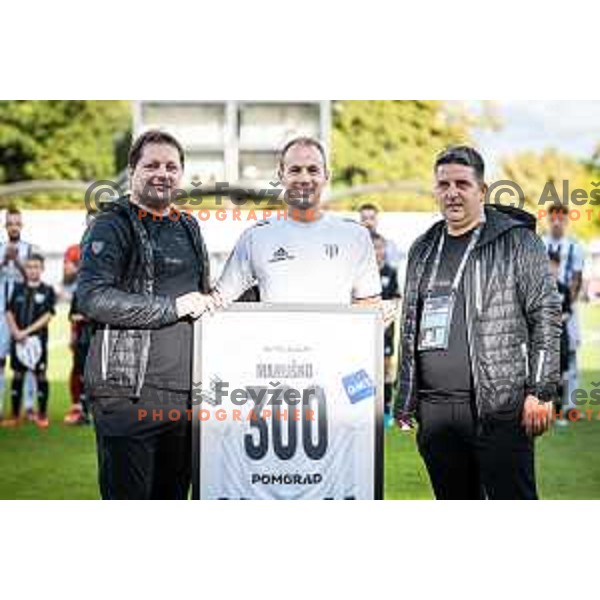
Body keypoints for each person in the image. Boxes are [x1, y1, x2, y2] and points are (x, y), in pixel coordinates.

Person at [395, 145, 560, 500]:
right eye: (443, 184)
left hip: (498, 407)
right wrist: (405, 398)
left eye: (461, 183)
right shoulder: (422, 247)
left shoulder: (517, 240)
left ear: (481, 191)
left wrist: (541, 390)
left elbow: (545, 313)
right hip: (436, 412)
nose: (451, 193)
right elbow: (410, 325)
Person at [77, 130, 211, 500]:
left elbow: (201, 297)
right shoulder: (111, 222)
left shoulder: (188, 225)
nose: (162, 173)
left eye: (171, 166)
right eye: (151, 164)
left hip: (186, 396)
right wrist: (172, 308)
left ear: (181, 174)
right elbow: (92, 297)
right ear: (132, 170)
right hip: (126, 395)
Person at [214, 137, 382, 306]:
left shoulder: (355, 235)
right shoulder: (256, 237)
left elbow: (369, 304)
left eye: (313, 170)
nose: (304, 179)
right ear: (281, 176)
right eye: (295, 170)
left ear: (326, 176)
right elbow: (220, 299)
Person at [2, 253, 55, 428]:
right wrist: (16, 332)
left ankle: (42, 415)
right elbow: (9, 312)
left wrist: (27, 332)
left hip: (37, 342)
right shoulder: (18, 288)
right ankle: (16, 415)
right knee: (18, 375)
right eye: (29, 267)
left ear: (42, 269)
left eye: (36, 267)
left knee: (40, 375)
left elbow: (48, 315)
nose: (32, 270)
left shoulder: (48, 290)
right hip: (18, 340)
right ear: (25, 269)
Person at [542, 205, 584, 415]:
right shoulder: (539, 244)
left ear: (566, 220)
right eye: (553, 218)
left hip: (567, 309)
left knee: (571, 354)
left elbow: (577, 279)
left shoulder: (575, 247)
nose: (557, 222)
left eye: (561, 218)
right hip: (543, 309)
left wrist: (565, 307)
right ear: (549, 219)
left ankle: (569, 404)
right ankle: (544, 403)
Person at [0, 208, 36, 422]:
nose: (14, 227)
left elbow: (32, 278)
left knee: (28, 360)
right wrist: (5, 261)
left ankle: (30, 407)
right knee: (1, 360)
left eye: (17, 223)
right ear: (6, 226)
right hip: (2, 313)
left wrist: (18, 262)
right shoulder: (0, 249)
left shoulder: (30, 249)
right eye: (10, 223)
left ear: (21, 226)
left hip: (24, 313)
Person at [64, 210, 97, 425]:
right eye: (90, 222)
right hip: (80, 308)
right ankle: (77, 406)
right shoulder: (75, 249)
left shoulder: (111, 246)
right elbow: (66, 276)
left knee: (98, 362)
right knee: (78, 361)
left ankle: (95, 407)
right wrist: (82, 266)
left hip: (99, 310)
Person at [371, 232, 401, 428]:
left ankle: (387, 410)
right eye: (374, 247)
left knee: (386, 368)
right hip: (365, 330)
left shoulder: (390, 272)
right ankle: (367, 409)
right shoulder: (363, 272)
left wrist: (389, 317)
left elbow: (397, 297)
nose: (377, 251)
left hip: (386, 328)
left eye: (380, 247)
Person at [547, 250, 571, 427]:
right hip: (543, 339)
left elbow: (568, 312)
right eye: (548, 264)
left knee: (561, 378)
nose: (551, 268)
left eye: (554, 264)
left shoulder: (564, 288)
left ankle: (558, 414)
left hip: (561, 339)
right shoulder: (539, 288)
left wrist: (558, 319)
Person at [359, 203, 403, 268]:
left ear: (377, 220)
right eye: (364, 218)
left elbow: (394, 267)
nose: (368, 222)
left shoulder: (389, 245)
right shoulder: (353, 245)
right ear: (360, 220)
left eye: (372, 218)